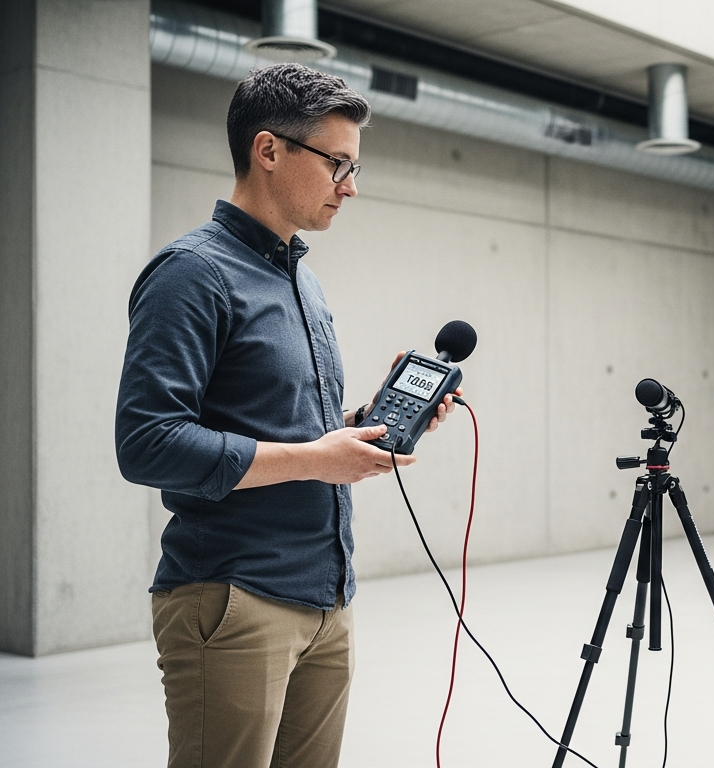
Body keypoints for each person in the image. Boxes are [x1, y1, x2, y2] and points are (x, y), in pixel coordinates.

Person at [115, 63, 458, 768]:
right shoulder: (191, 274)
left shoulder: (301, 275)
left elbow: (293, 423)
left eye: (355, 167)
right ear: (268, 150)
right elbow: (147, 443)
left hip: (327, 597)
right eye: (338, 163)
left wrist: (365, 421)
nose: (351, 186)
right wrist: (316, 460)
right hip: (234, 600)